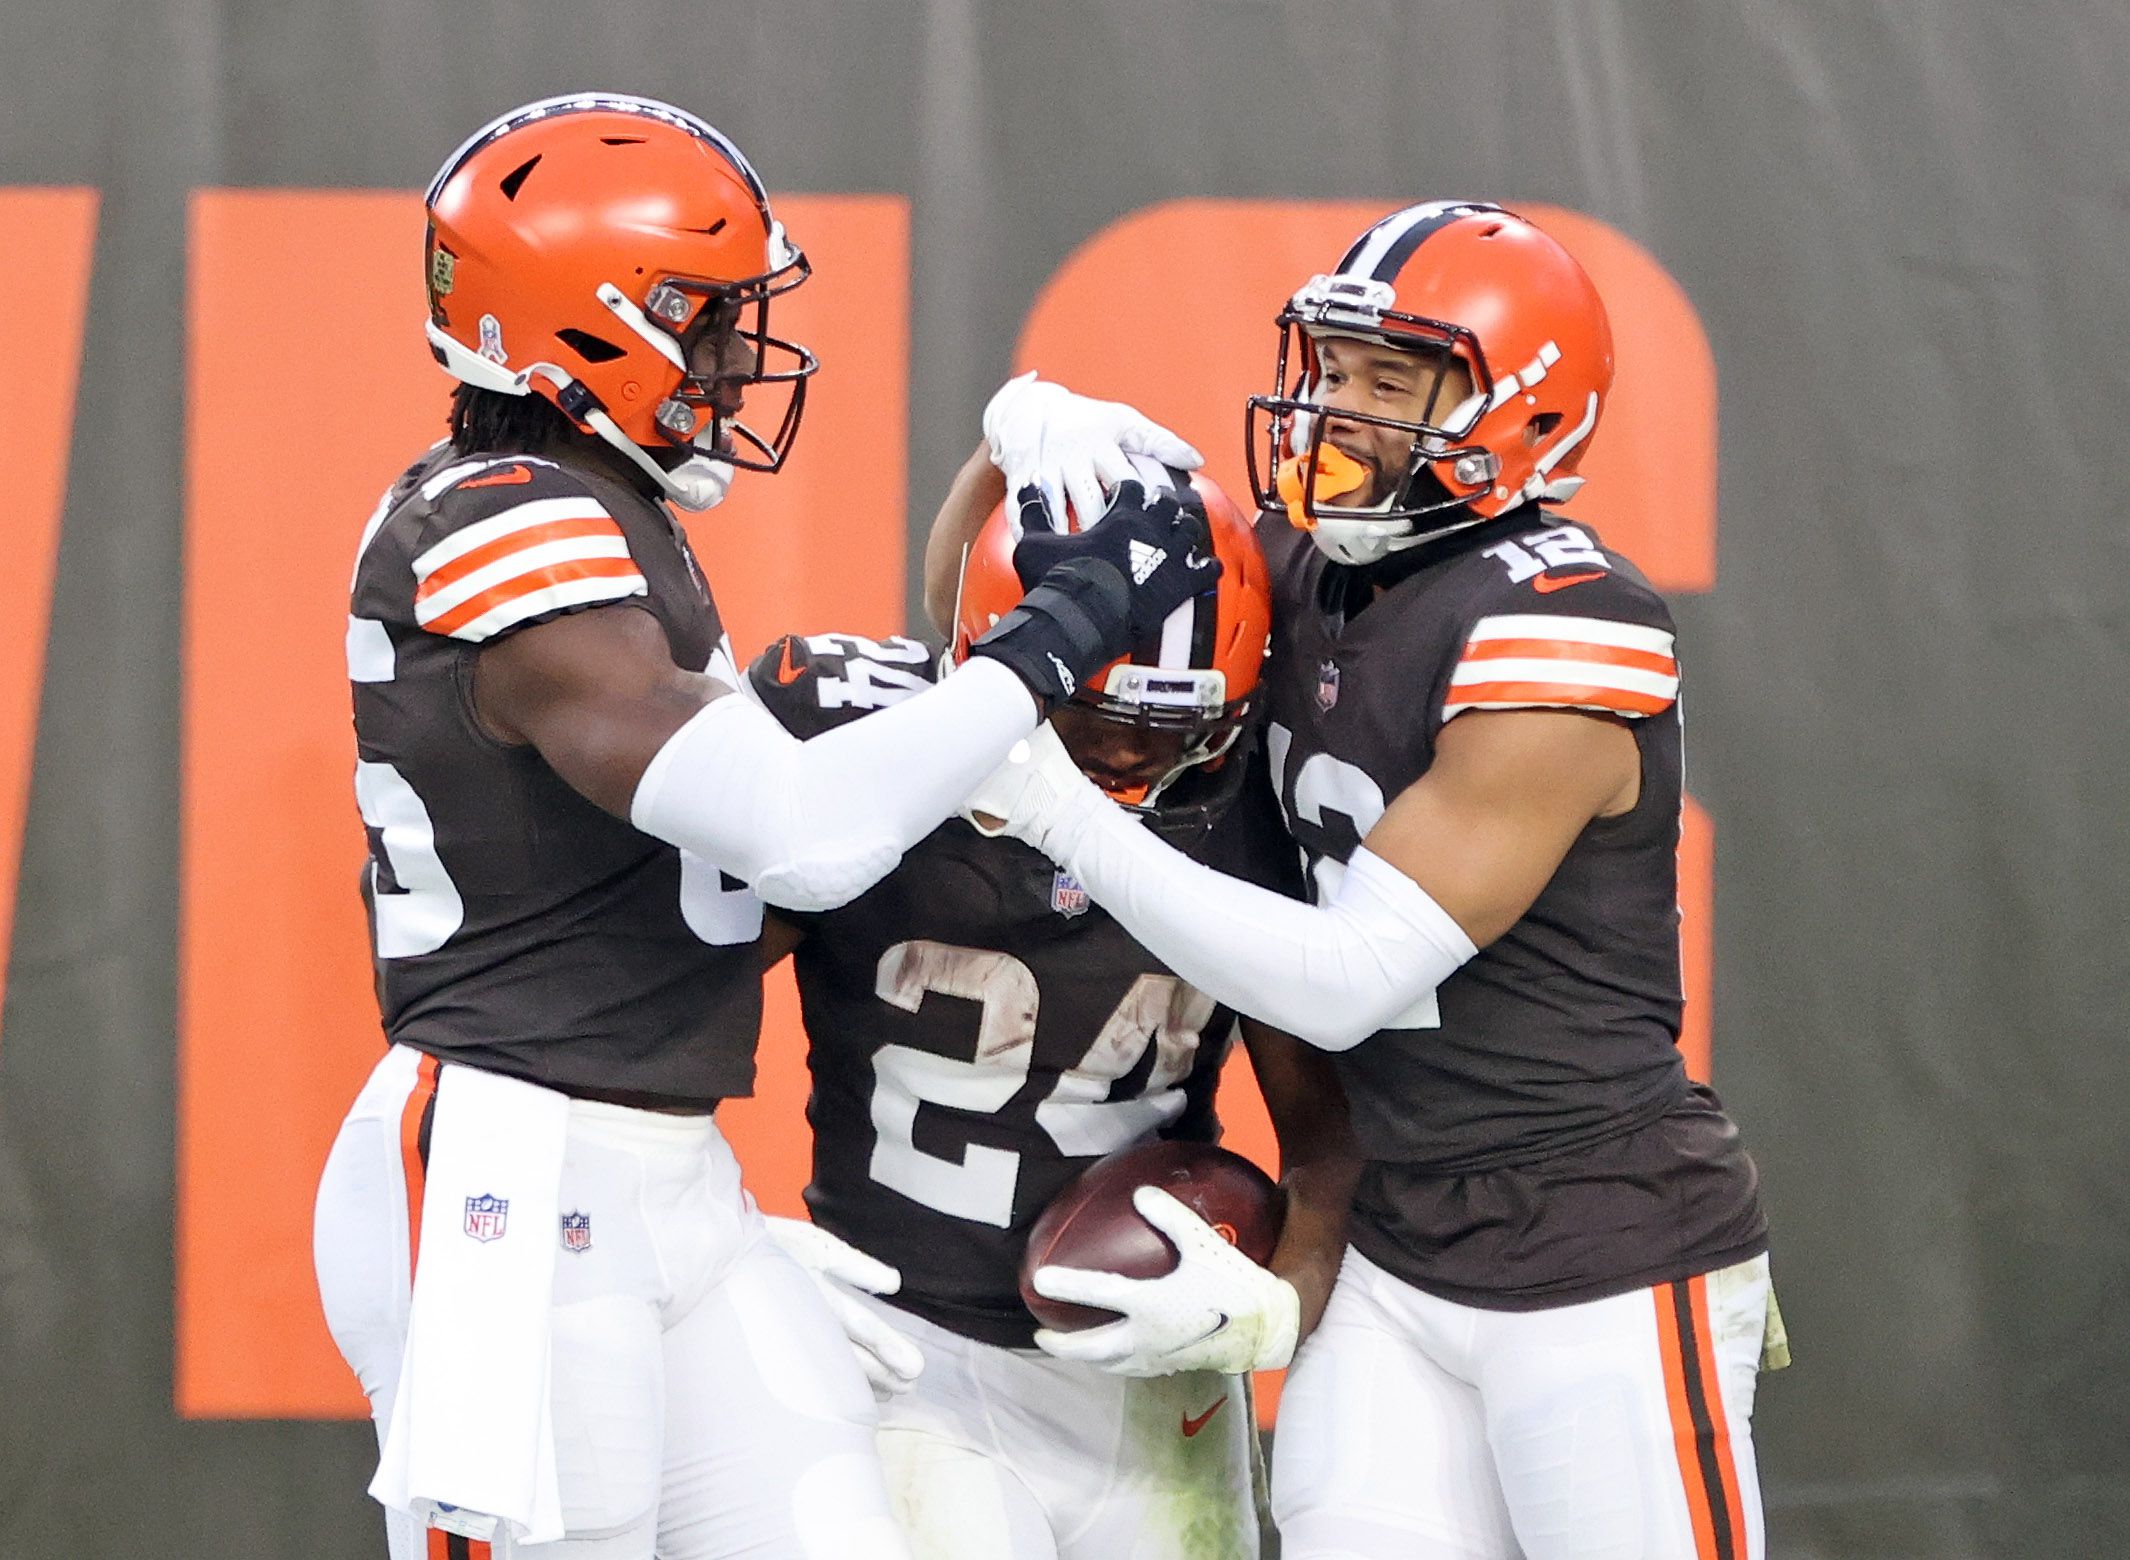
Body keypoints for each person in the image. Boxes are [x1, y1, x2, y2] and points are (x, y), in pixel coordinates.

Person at [310, 92, 1212, 1559]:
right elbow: (804, 837)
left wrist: (995, 478)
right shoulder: (498, 520)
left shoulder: (600, 509)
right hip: (511, 1163)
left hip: (660, 1168)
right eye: (708, 315)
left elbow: (832, 804)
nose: (739, 352)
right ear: (593, 323)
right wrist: (1067, 625)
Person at [944, 201, 1783, 1560]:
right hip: (1399, 1239)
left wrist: (1065, 819)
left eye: (1387, 383)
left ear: (1523, 412)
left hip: (1596, 1246)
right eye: (1329, 371)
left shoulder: (1566, 617)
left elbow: (1348, 982)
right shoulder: (1288, 563)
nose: (1334, 410)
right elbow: (975, 627)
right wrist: (1013, 455)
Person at [751, 467, 1358, 1560]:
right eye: (1085, 710)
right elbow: (642, 1011)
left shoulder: (1252, 806)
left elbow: (1332, 1137)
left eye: (1167, 729)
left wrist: (1272, 1308)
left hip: (1154, 1371)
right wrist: (712, 1237)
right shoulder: (867, 757)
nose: (1124, 755)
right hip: (907, 1354)